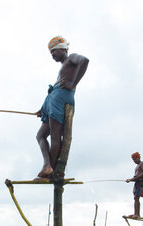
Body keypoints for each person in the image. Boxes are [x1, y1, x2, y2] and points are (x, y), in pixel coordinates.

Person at [35, 36, 89, 178]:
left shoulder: (71, 57)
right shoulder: (63, 68)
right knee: (40, 135)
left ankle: (49, 170)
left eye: (55, 51)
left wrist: (73, 84)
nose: (53, 54)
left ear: (64, 49)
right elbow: (55, 90)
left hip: (61, 98)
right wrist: (43, 109)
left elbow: (84, 61)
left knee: (55, 136)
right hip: (53, 100)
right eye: (51, 53)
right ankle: (47, 165)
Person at [126, 152, 143, 219]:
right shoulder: (136, 167)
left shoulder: (142, 163)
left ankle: (138, 214)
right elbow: (136, 177)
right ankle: (135, 213)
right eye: (133, 160)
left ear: (138, 158)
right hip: (137, 183)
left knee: (136, 197)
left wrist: (134, 178)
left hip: (141, 183)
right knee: (135, 198)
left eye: (135, 159)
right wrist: (130, 180)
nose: (134, 161)